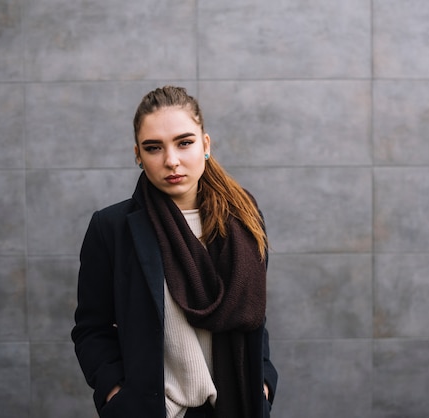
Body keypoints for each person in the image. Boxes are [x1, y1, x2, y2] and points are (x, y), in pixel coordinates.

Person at [71, 86, 278, 418]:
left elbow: (253, 315)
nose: (171, 160)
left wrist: (263, 383)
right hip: (153, 410)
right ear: (138, 154)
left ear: (205, 145)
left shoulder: (244, 221)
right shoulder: (112, 228)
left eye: (185, 143)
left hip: (235, 405)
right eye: (154, 148)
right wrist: (115, 393)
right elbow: (91, 329)